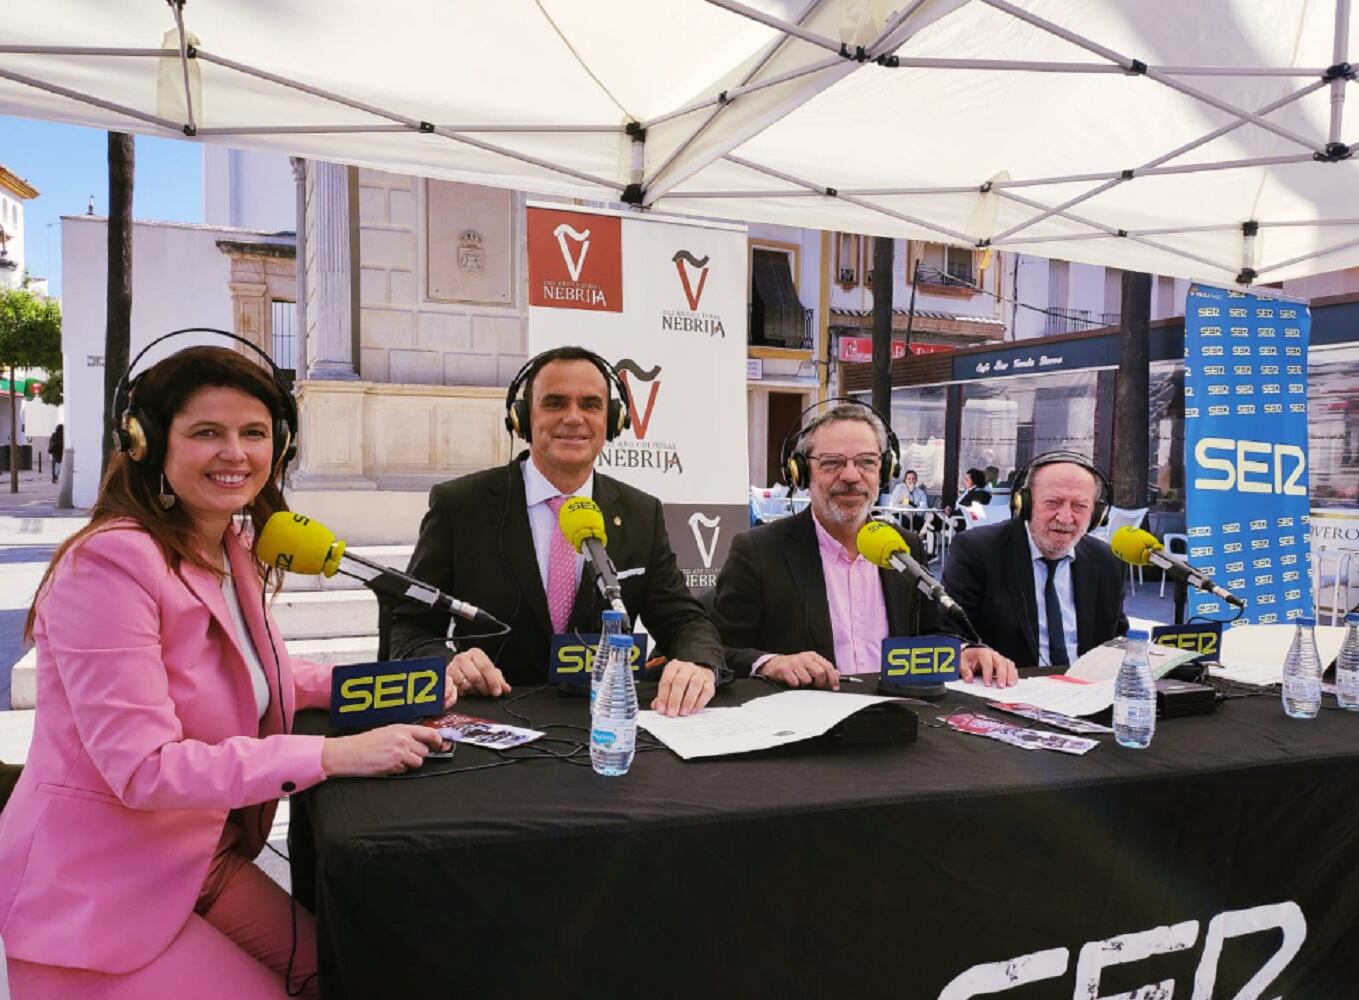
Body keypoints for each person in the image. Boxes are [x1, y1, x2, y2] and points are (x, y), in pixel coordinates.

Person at [0, 345, 453, 1000]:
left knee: (352, 975)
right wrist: (333, 754)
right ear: (148, 441)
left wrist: (416, 685)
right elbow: (143, 766)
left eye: (253, 433)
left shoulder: (228, 544)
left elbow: (257, 675)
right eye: (206, 432)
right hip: (100, 889)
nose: (234, 453)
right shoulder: (111, 564)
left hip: (198, 859)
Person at [390, 345, 726, 717]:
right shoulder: (460, 505)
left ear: (613, 420)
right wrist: (445, 660)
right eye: (554, 403)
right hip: (490, 724)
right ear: (522, 418)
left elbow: (683, 619)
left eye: (590, 404)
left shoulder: (641, 513)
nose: (573, 417)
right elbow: (408, 626)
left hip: (600, 726)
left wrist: (698, 663)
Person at [712, 404, 1016, 689]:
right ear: (801, 473)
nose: (851, 476)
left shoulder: (904, 547)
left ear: (884, 471)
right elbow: (718, 648)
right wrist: (770, 663)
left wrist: (963, 651)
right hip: (805, 728)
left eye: (866, 462)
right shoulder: (758, 550)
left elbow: (929, 632)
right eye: (832, 463)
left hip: (898, 716)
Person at [942, 451, 1129, 668]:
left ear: (1097, 514)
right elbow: (948, 633)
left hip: (1086, 693)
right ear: (1024, 503)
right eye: (1053, 503)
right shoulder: (977, 550)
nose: (1065, 518)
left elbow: (1116, 639)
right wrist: (968, 652)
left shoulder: (1107, 561)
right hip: (1009, 690)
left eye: (1080, 506)